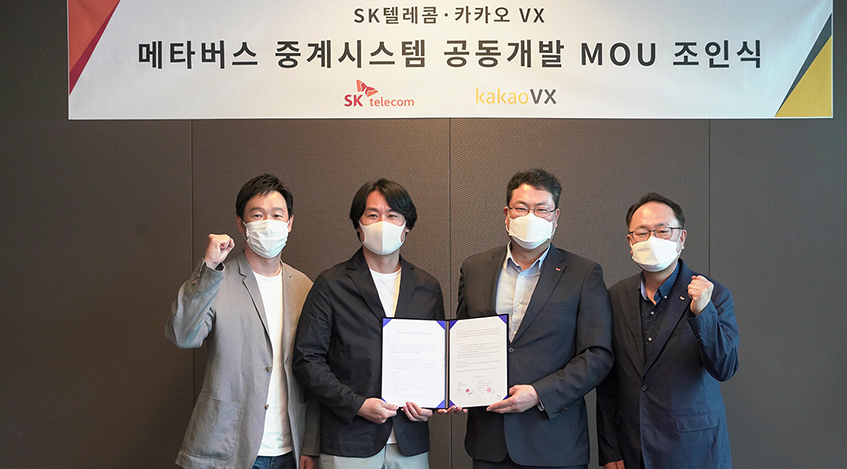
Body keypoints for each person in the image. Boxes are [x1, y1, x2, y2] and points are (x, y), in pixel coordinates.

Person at [454, 168, 613, 469]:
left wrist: (540, 393)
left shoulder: (583, 273)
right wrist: (452, 389)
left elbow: (597, 355)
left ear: (555, 217)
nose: (531, 216)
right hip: (490, 441)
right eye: (522, 208)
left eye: (542, 209)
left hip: (554, 442)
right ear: (507, 214)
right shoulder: (475, 268)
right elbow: (461, 340)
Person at [165, 173, 318, 469]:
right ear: (241, 223)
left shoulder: (304, 287)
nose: (268, 223)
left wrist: (311, 444)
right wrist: (209, 267)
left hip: (291, 448)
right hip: (229, 445)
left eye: (277, 215)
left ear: (289, 223)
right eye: (257, 215)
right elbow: (182, 335)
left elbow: (314, 369)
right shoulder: (217, 280)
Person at [293, 179, 444, 469]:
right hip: (348, 438)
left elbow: (438, 359)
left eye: (392, 215)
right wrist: (357, 404)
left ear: (407, 226)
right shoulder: (331, 284)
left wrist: (433, 404)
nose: (382, 223)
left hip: (409, 440)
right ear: (358, 225)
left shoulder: (427, 286)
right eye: (372, 215)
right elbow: (307, 359)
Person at [596, 193, 740, 469]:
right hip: (633, 447)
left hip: (695, 449)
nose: (652, 239)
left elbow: (725, 368)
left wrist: (703, 313)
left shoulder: (714, 294)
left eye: (663, 231)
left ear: (681, 238)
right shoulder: (614, 297)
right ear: (630, 242)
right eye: (642, 232)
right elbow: (608, 380)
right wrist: (610, 449)